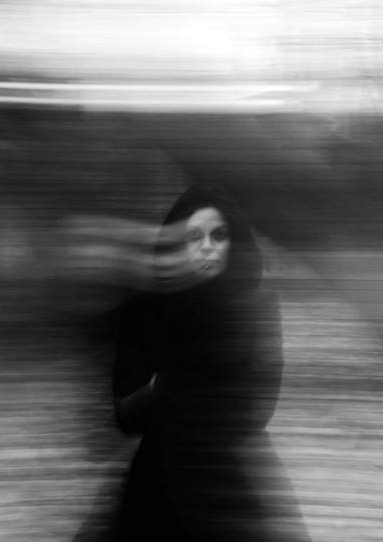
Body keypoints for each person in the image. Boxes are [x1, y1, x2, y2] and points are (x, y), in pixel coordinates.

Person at [109, 182, 311, 542]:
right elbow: (125, 415)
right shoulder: (145, 308)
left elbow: (258, 411)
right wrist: (172, 388)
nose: (207, 247)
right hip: (158, 477)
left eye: (219, 235)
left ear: (234, 242)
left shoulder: (257, 308)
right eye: (194, 236)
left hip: (233, 477)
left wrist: (169, 388)